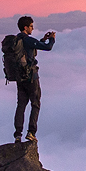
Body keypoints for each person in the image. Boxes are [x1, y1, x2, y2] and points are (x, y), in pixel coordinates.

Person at [11, 15, 56, 144]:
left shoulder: (16, 40)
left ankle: (17, 135)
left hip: (20, 78)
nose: (32, 28)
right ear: (25, 27)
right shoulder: (27, 39)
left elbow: (30, 49)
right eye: (31, 26)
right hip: (31, 77)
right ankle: (31, 132)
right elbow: (48, 47)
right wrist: (51, 39)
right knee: (35, 104)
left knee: (21, 106)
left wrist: (43, 39)